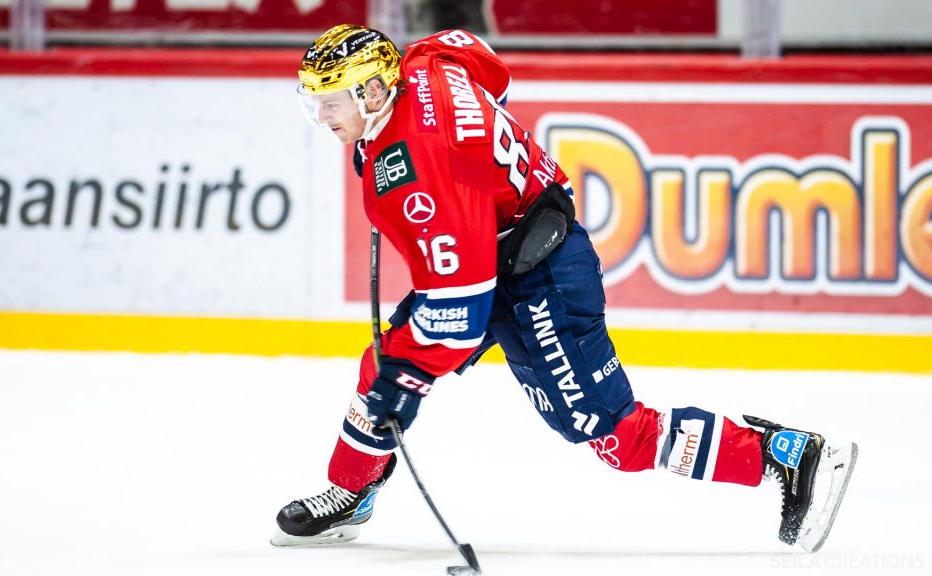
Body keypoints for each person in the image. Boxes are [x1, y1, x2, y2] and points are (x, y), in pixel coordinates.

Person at [272, 25, 858, 552]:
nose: (322, 115)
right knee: (384, 363)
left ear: (375, 92)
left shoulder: (418, 177)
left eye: (331, 101)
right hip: (498, 243)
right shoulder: (426, 61)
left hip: (540, 272)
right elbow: (487, 65)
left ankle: (788, 457)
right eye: (315, 100)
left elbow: (459, 313)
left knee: (617, 437)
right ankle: (352, 491)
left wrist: (405, 380)